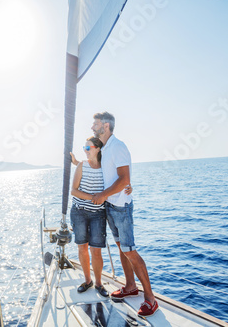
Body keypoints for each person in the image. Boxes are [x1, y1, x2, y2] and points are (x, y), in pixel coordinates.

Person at [89, 111, 158, 317]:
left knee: (129, 251)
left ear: (106, 126)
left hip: (121, 207)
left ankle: (151, 299)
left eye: (96, 124)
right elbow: (116, 177)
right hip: (111, 206)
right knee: (121, 248)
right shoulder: (105, 148)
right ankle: (130, 287)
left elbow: (123, 179)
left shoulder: (118, 146)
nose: (93, 127)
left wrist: (102, 195)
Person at [70, 136, 132, 297]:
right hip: (80, 211)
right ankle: (87, 280)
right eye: (84, 147)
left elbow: (119, 178)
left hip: (98, 214)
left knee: (96, 251)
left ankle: (98, 283)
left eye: (88, 147)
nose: (85, 150)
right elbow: (74, 191)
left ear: (98, 149)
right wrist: (95, 197)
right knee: (82, 248)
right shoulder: (82, 166)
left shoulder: (105, 167)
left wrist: (129, 186)